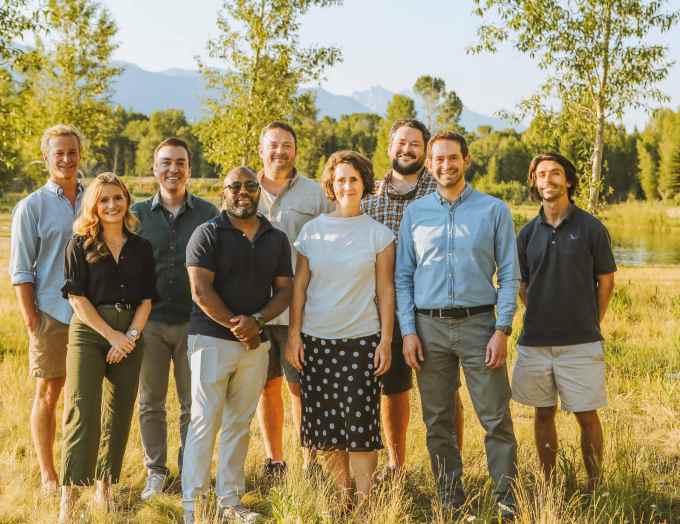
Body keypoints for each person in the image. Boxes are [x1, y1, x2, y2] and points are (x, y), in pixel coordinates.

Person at [395, 132, 519, 517]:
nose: (445, 165)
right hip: (428, 329)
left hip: (480, 325)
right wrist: (408, 331)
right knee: (437, 421)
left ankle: (506, 499)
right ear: (429, 164)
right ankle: (450, 497)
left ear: (466, 160)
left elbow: (510, 275)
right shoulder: (415, 214)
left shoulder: (493, 210)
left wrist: (502, 329)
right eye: (438, 159)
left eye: (452, 158)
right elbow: (403, 276)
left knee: (495, 417)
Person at [181, 167, 293, 524]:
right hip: (211, 341)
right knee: (204, 422)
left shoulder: (275, 237)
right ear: (223, 191)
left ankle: (229, 501)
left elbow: (285, 290)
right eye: (235, 187)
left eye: (249, 186)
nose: (242, 192)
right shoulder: (208, 233)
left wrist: (256, 323)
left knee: (239, 424)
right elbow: (201, 291)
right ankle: (195, 507)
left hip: (254, 346)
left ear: (258, 190)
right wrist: (238, 325)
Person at [286, 150, 394, 503]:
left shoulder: (379, 234)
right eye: (340, 179)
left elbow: (385, 290)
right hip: (317, 342)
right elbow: (299, 288)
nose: (346, 185)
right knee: (329, 427)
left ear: (364, 183)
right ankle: (342, 498)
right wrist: (294, 337)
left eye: (353, 179)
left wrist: (386, 341)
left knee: (361, 426)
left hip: (362, 341)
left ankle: (364, 502)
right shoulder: (312, 232)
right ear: (330, 184)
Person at [362, 118, 464, 477]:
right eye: (401, 143)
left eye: (415, 145)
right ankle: (396, 464)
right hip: (382, 308)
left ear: (425, 151)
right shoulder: (368, 195)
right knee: (393, 387)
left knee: (444, 389)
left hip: (433, 306)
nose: (407, 150)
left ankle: (452, 467)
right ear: (390, 147)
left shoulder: (441, 191)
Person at [512, 153, 616, 492]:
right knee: (543, 414)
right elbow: (522, 284)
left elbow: (606, 281)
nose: (548, 180)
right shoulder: (527, 233)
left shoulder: (591, 228)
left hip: (581, 342)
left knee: (587, 416)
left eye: (555, 173)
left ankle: (595, 484)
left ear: (568, 180)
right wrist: (541, 310)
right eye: (541, 174)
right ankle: (548, 481)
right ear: (534, 182)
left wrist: (589, 321)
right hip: (535, 343)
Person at [58, 173, 157, 522]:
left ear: (127, 201)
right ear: (94, 206)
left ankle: (105, 487)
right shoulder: (79, 243)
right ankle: (68, 500)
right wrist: (111, 336)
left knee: (119, 414)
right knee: (82, 411)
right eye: (104, 200)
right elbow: (76, 298)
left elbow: (147, 300)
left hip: (130, 332)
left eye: (117, 198)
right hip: (89, 332)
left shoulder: (141, 247)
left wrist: (128, 338)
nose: (112, 205)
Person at [132, 138, 218, 499]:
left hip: (193, 322)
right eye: (165, 162)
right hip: (148, 322)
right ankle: (155, 470)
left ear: (189, 168)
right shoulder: (135, 214)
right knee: (150, 401)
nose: (173, 169)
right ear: (154, 169)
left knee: (192, 404)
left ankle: (188, 471)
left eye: (180, 162)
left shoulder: (209, 213)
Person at [9, 124, 84, 494]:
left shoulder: (96, 198)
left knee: (86, 396)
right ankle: (48, 475)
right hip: (51, 313)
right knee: (48, 394)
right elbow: (22, 270)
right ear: (47, 158)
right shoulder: (31, 207)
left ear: (80, 155)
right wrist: (31, 319)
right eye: (60, 154)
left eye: (72, 152)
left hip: (92, 316)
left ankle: (83, 473)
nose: (67, 160)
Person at [255, 121, 333, 476]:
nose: (279, 151)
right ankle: (275, 460)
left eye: (287, 145)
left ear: (296, 151)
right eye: (273, 145)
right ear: (261, 150)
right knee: (265, 387)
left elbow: (331, 244)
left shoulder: (315, 195)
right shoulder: (243, 190)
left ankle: (309, 460)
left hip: (300, 310)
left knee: (301, 387)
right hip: (254, 309)